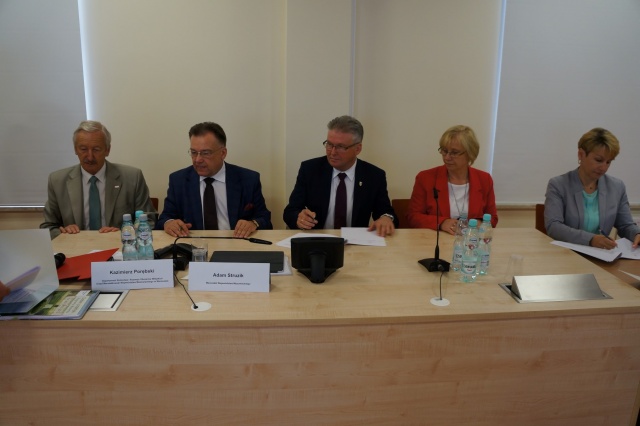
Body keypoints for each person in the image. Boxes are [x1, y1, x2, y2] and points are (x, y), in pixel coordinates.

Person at [283, 115, 398, 236]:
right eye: (329, 144)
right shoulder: (310, 170)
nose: (332, 152)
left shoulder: (374, 176)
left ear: (358, 148)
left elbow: (386, 213)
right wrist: (299, 218)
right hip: (318, 240)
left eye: (340, 147)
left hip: (356, 241)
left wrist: (386, 218)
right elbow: (290, 211)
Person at [40, 120, 156, 239]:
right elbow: (48, 227)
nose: (90, 157)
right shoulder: (57, 181)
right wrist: (65, 233)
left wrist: (123, 232)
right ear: (75, 149)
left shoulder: (132, 177)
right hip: (76, 246)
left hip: (118, 246)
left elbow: (149, 221)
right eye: (83, 149)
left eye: (96, 149)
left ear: (107, 150)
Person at [156, 121, 272, 238]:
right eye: (194, 152)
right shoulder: (178, 180)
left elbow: (264, 218)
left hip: (236, 243)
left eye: (205, 153)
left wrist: (253, 223)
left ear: (223, 153)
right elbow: (164, 218)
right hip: (194, 245)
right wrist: (169, 223)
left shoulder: (248, 179)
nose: (197, 159)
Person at [545, 127, 640, 249]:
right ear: (581, 154)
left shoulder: (617, 187)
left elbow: (625, 225)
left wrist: (636, 234)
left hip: (601, 255)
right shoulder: (558, 184)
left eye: (608, 162)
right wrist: (590, 239)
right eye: (599, 160)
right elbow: (553, 227)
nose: (604, 168)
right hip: (566, 254)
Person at [407, 125, 498, 234]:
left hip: (470, 240)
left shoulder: (484, 179)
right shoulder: (425, 178)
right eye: (444, 151)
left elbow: (492, 218)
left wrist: (479, 224)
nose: (447, 157)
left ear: (470, 153)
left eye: (454, 153)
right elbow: (413, 217)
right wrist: (442, 222)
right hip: (436, 240)